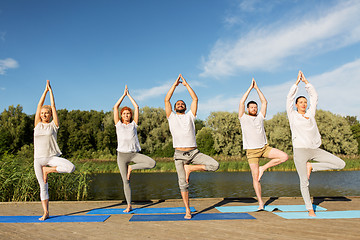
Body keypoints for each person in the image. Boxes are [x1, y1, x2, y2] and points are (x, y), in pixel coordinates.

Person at [287, 71, 345, 217]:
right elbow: (289, 98)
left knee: (340, 164)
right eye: (301, 102)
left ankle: (312, 166)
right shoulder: (292, 115)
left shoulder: (310, 114)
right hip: (300, 151)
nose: (304, 104)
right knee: (304, 181)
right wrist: (296, 84)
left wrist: (306, 83)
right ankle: (310, 209)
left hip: (314, 149)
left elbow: (315, 97)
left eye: (305, 102)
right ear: (296, 105)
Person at [165, 74, 219, 219]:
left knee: (215, 165)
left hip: (194, 153)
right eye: (178, 104)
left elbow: (195, 99)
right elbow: (167, 99)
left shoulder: (190, 116)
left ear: (186, 107)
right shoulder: (171, 117)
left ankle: (190, 168)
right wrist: (174, 86)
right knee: (183, 184)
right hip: (179, 155)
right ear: (175, 108)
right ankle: (187, 210)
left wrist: (186, 85)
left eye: (182, 104)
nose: (180, 105)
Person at [239, 78, 288, 210]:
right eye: (252, 107)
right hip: (252, 152)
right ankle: (261, 203)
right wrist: (250, 88)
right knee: (256, 178)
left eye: (255, 107)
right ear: (248, 109)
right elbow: (242, 101)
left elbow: (264, 102)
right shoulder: (243, 118)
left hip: (264, 148)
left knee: (284, 157)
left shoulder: (260, 117)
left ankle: (263, 168)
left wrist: (257, 88)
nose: (254, 109)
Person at [34, 80, 75, 221]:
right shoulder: (37, 125)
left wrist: (51, 92)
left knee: (71, 168)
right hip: (38, 160)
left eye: (47, 113)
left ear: (51, 115)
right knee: (43, 186)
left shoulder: (54, 125)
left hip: (51, 158)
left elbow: (53, 105)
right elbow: (39, 105)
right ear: (40, 115)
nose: (44, 114)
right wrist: (44, 91)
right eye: (43, 113)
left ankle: (48, 170)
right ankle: (46, 212)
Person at [114, 85, 156, 213]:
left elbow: (137, 107)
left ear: (131, 115)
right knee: (125, 181)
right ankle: (129, 205)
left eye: (128, 113)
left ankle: (131, 168)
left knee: (152, 163)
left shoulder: (134, 124)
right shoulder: (118, 124)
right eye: (124, 114)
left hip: (133, 154)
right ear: (121, 116)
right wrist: (123, 95)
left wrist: (129, 96)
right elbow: (115, 107)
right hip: (122, 156)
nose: (126, 115)